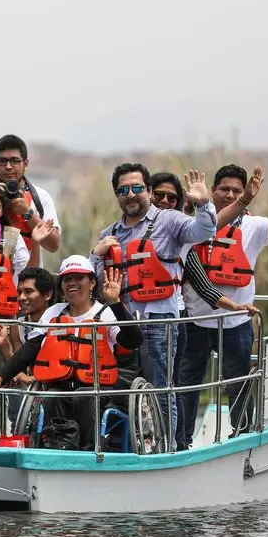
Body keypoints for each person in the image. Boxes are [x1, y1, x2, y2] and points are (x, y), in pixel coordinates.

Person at [177, 163, 268, 445]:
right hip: (194, 320)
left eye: (236, 191)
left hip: (236, 322)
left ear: (246, 192)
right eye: (224, 189)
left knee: (238, 382)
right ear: (212, 191)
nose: (230, 194)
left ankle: (242, 437)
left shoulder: (253, 226)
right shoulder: (195, 226)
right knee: (187, 385)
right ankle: (182, 440)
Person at [87, 163, 217, 452]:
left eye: (136, 188)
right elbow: (94, 283)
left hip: (159, 321)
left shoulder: (169, 221)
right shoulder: (110, 233)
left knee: (161, 389)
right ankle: (129, 446)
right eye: (123, 190)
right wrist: (96, 254)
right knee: (122, 390)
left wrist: (203, 203)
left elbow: (204, 230)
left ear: (147, 190)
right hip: (122, 324)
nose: (130, 195)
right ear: (116, 195)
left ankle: (166, 450)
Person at [148, 171, 260, 450]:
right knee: (169, 385)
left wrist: (232, 306)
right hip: (137, 325)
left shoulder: (182, 235)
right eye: (158, 195)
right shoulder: (127, 231)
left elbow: (202, 278)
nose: (164, 201)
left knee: (180, 384)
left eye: (171, 197)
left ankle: (180, 443)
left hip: (175, 321)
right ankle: (162, 441)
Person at [0, 256, 143, 451]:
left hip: (97, 387)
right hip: (60, 384)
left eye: (79, 278)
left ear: (92, 282)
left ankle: (88, 451)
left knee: (85, 396)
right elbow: (31, 348)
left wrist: (116, 303)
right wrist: (0, 377)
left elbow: (133, 342)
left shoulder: (107, 313)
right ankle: (59, 448)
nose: (72, 283)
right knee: (51, 397)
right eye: (67, 279)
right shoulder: (53, 313)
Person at [0, 134, 62, 268]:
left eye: (14, 161)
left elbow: (53, 245)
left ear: (25, 164)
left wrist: (28, 213)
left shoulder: (40, 197)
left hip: (27, 282)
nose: (8, 166)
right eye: (2, 161)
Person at [0, 267, 57, 428]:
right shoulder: (19, 323)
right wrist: (4, 345)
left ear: (47, 295)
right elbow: (18, 360)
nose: (22, 298)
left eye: (29, 292)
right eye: (20, 292)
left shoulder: (58, 320)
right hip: (26, 387)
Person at [0, 187, 57, 319]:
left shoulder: (12, 236)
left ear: (3, 211)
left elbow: (27, 274)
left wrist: (35, 243)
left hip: (5, 313)